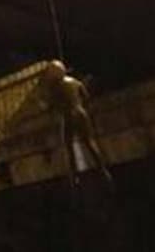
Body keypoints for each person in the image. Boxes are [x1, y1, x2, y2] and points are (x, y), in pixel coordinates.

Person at [42, 60, 113, 188]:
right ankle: (103, 170)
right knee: (90, 143)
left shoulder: (54, 87)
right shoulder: (75, 81)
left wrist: (44, 106)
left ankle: (74, 177)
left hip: (68, 115)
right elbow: (86, 96)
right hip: (81, 113)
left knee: (69, 147)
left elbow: (51, 106)